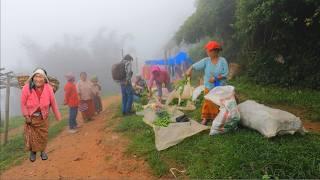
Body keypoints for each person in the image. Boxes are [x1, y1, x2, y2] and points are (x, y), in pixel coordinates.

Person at [21, 68, 61, 162]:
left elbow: (53, 103)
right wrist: (26, 116)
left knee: (43, 136)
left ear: (45, 79)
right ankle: (33, 152)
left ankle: (43, 151)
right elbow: (23, 104)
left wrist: (58, 116)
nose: (38, 79)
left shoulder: (48, 88)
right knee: (32, 137)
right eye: (36, 76)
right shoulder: (26, 88)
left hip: (44, 117)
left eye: (41, 77)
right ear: (33, 77)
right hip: (31, 118)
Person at [185, 41, 229, 125]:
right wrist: (190, 69)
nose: (207, 52)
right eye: (207, 51)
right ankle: (206, 118)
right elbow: (195, 65)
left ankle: (218, 117)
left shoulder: (222, 61)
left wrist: (216, 78)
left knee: (219, 102)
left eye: (209, 51)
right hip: (209, 86)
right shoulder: (206, 61)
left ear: (215, 51)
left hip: (220, 86)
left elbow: (226, 73)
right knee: (207, 102)